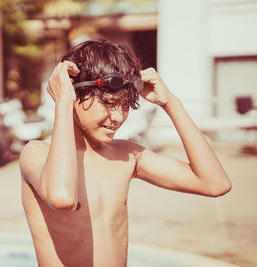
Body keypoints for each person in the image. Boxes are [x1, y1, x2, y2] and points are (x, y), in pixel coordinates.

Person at [19, 39, 231, 267]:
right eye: (109, 103)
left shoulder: (126, 155)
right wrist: (62, 103)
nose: (118, 117)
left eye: (125, 106)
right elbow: (62, 198)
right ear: (72, 93)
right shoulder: (36, 153)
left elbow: (215, 184)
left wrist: (171, 103)